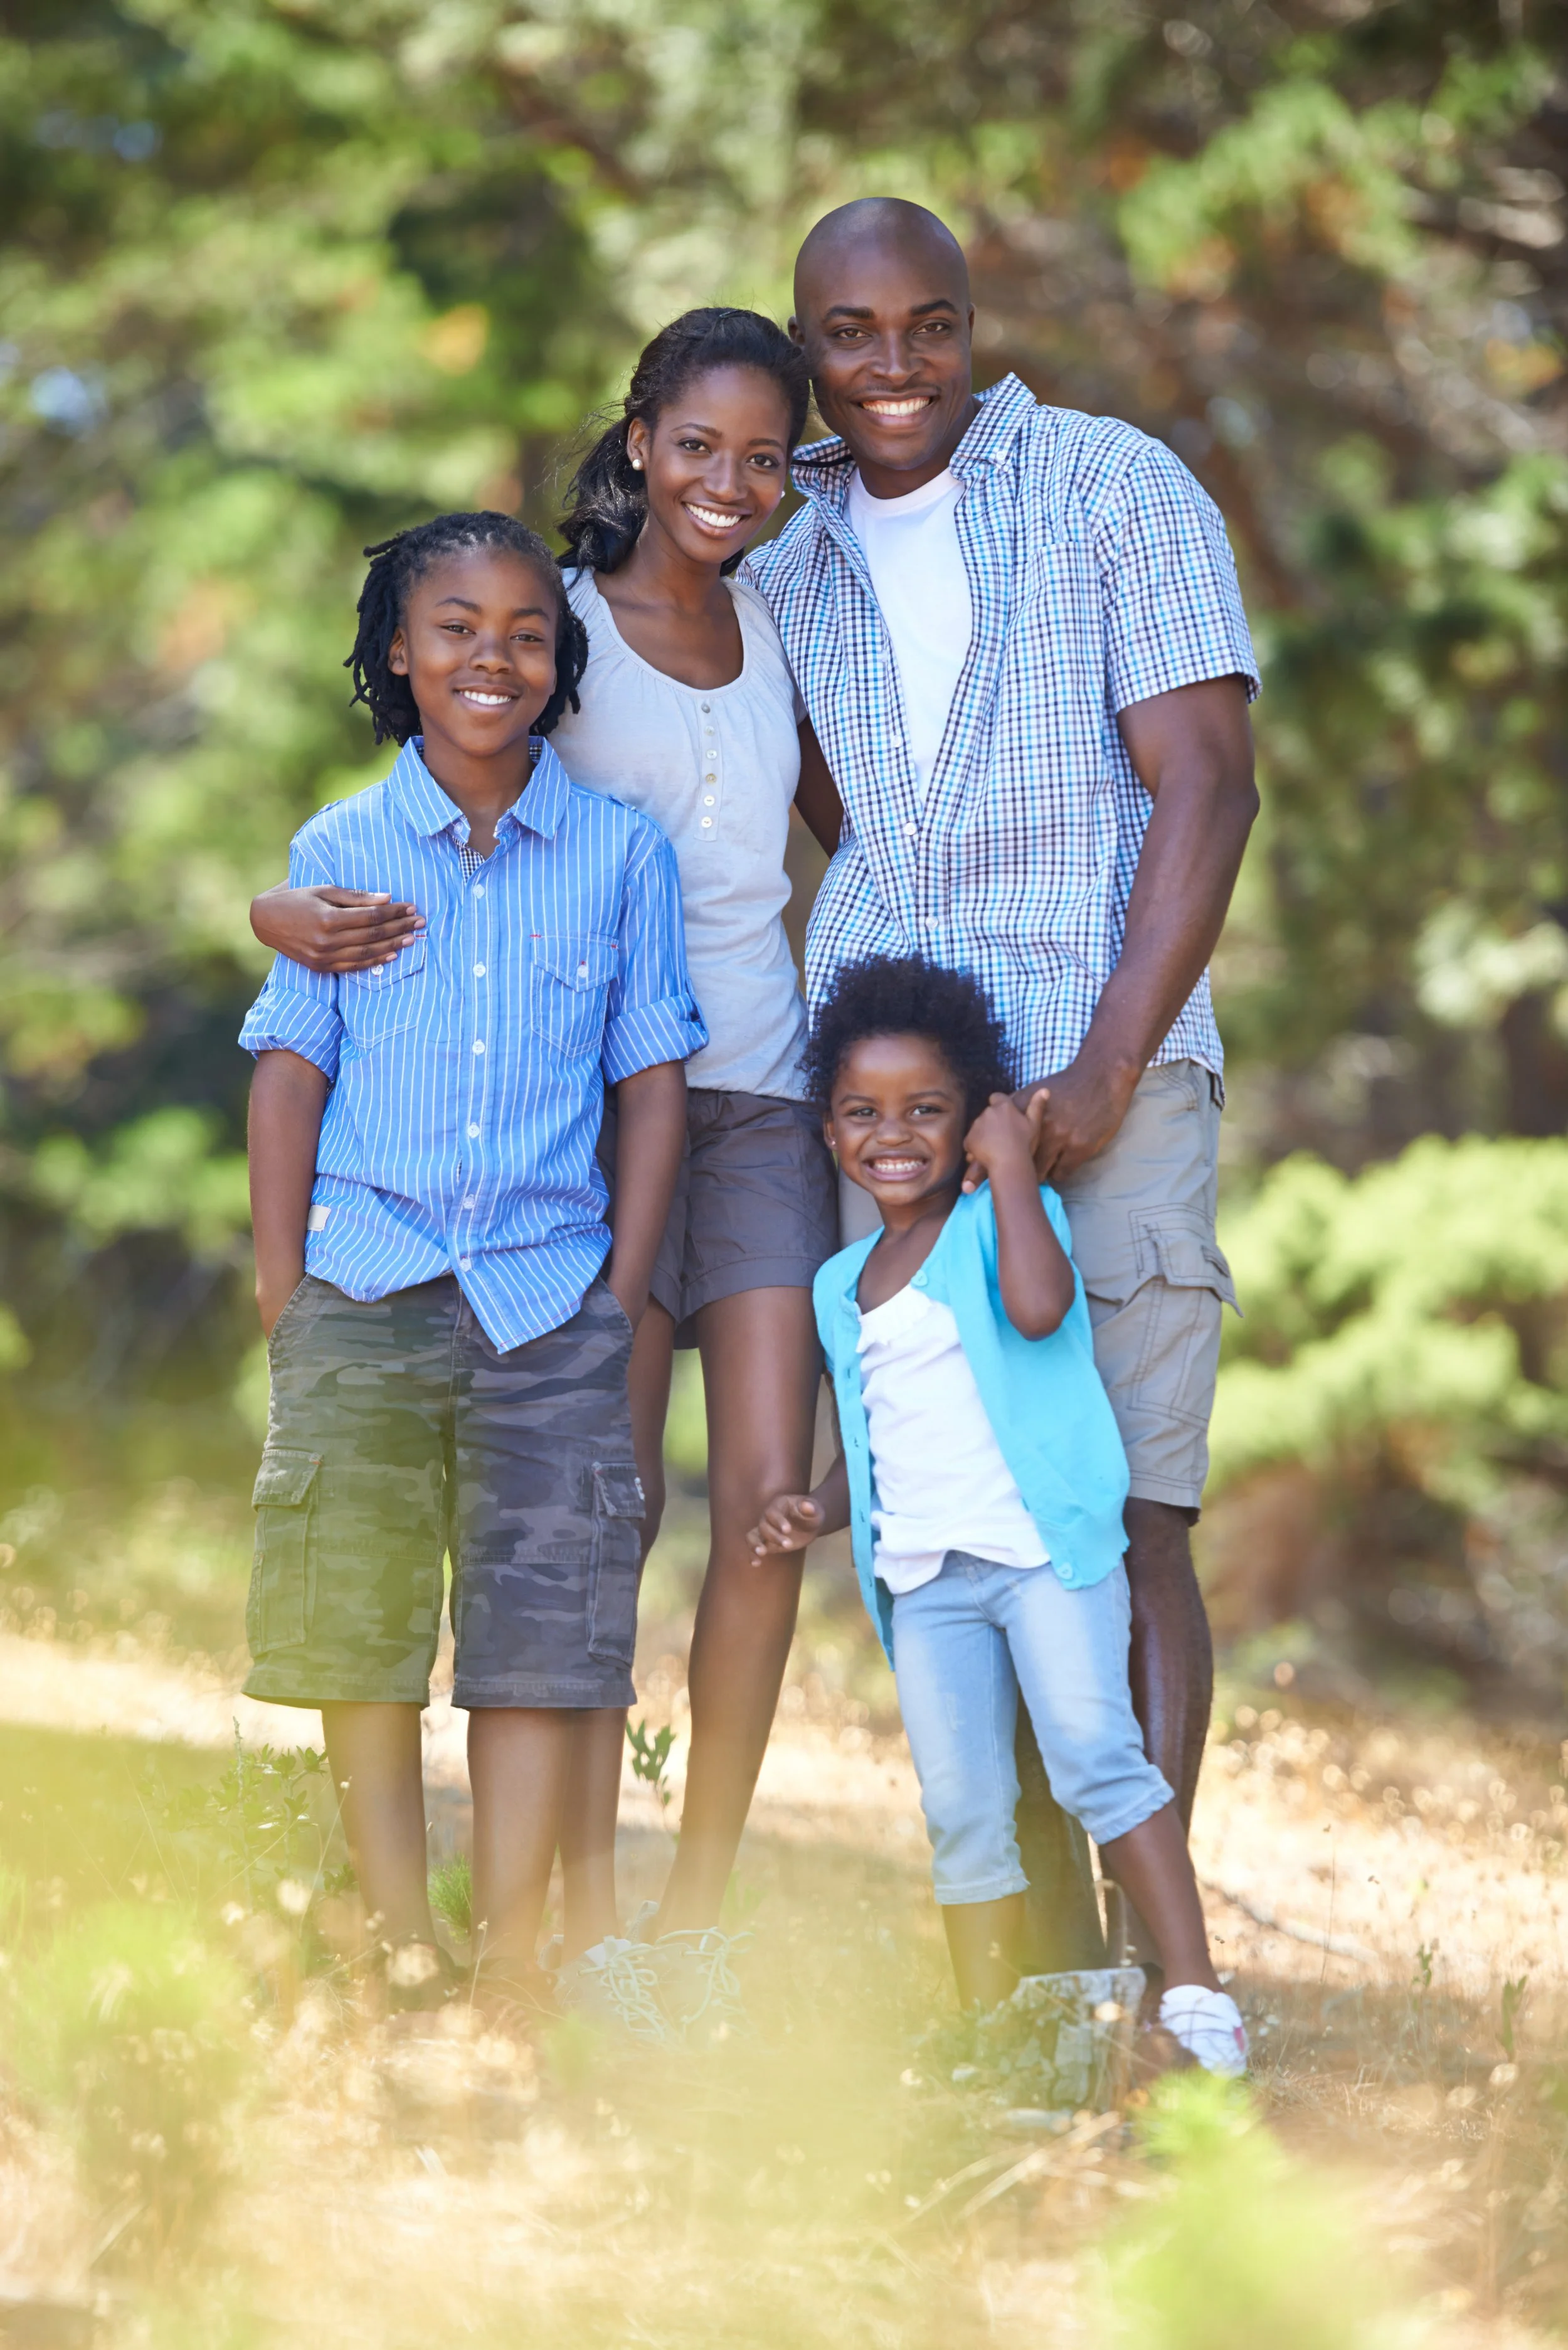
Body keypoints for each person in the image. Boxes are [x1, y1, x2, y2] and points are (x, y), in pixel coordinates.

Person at [247, 313, 843, 2028]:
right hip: (549, 1136)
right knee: (586, 1513)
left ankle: (672, 1918)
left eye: (761, 455)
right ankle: (547, 1920)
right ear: (639, 437)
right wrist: (274, 920)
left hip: (737, 1103)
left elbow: (851, 823)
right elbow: (400, 813)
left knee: (722, 1509)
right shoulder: (558, 614)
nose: (726, 483)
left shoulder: (794, 620)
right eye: (694, 444)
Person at [744, 198, 1261, 1971]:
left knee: (1117, 1513)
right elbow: (825, 794)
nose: (891, 367)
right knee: (942, 1528)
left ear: (973, 324)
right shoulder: (782, 546)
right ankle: (1028, 1966)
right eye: (850, 333)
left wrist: (1102, 1065)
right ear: (805, 342)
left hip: (1100, 1067)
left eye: (927, 326)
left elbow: (1206, 787)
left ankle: (1147, 1960)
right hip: (890, 1110)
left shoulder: (1120, 489)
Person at [241, 510, 700, 2006]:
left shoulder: (620, 856)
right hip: (361, 1283)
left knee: (539, 1640)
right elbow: (288, 1073)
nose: (489, 656)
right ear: (397, 652)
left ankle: (509, 1953)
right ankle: (396, 1936)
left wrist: (619, 1291)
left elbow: (648, 1084)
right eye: (454, 627)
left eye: (523, 631)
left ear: (560, 660)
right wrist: (279, 1288)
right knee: (358, 1623)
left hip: (544, 1297)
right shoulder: (343, 852)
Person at [747, 957, 1248, 2073]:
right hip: (929, 1586)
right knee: (964, 1805)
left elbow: (1038, 1308)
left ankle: (1197, 1994)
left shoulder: (1000, 1225)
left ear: (972, 1118)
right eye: (863, 1113)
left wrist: (1013, 1167)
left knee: (1094, 1757)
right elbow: (877, 1437)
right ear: (831, 1134)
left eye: (926, 1109)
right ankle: (994, 2030)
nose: (893, 1134)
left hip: (1040, 1557)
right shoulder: (842, 1282)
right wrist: (813, 1510)